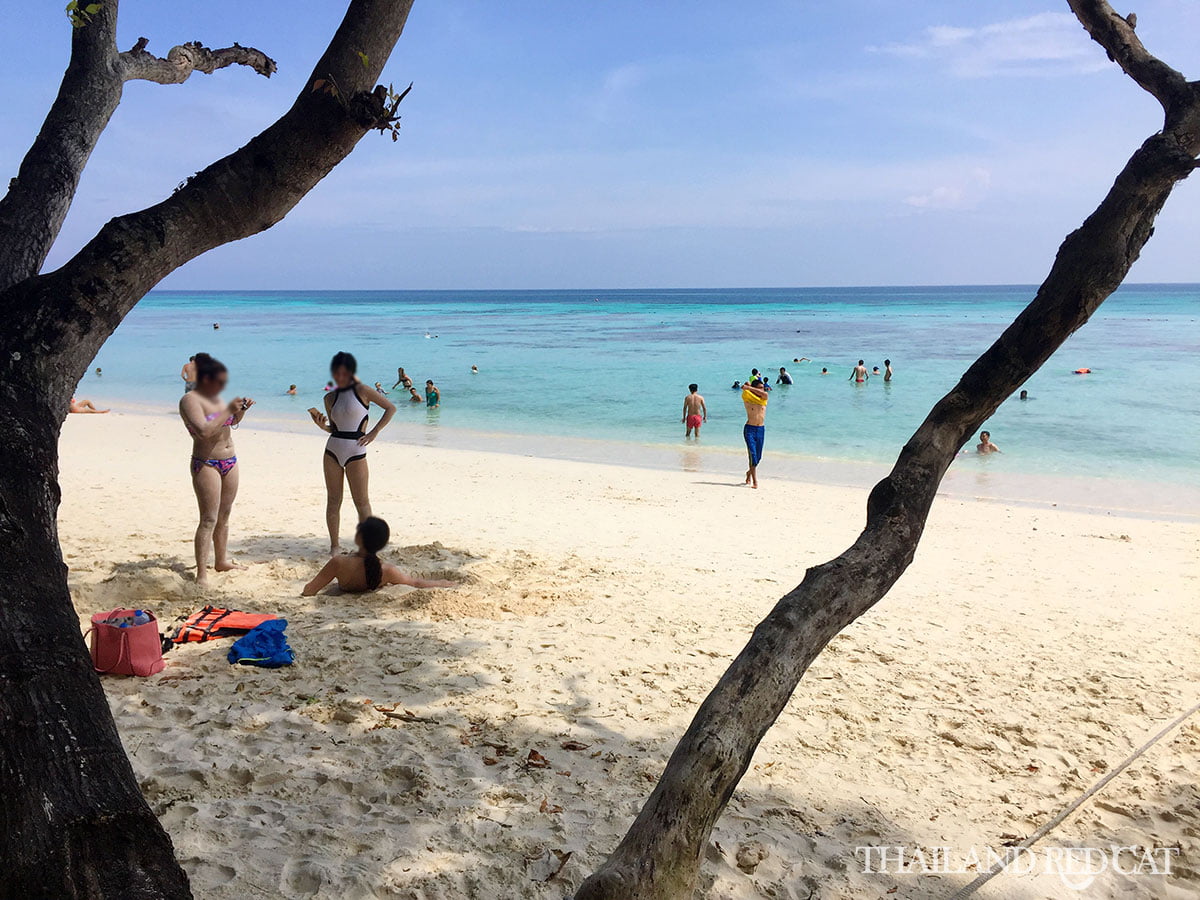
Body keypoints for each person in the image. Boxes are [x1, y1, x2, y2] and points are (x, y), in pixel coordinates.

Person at [308, 352, 396, 555]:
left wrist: (374, 432)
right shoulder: (329, 397)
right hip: (332, 449)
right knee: (333, 500)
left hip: (356, 449)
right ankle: (334, 546)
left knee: (362, 501)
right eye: (336, 371)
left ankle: (368, 547)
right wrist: (322, 426)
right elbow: (334, 428)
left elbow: (390, 408)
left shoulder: (363, 390)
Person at [179, 353, 254, 588]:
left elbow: (230, 423)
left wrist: (240, 410)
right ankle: (202, 573)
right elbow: (203, 431)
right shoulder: (190, 400)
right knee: (208, 518)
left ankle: (221, 560)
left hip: (230, 460)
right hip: (207, 463)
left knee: (225, 515)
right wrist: (227, 410)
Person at [302, 517, 455, 595]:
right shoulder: (387, 571)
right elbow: (414, 583)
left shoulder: (339, 563)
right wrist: (441, 583)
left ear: (358, 538)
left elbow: (310, 590)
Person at [741, 379, 769, 489]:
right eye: (760, 388)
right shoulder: (748, 398)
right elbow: (745, 388)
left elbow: (765, 394)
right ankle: (755, 481)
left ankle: (749, 472)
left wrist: (750, 387)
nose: (762, 390)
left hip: (761, 429)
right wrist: (748, 388)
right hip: (750, 429)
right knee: (752, 456)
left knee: (758, 457)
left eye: (762, 388)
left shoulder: (763, 399)